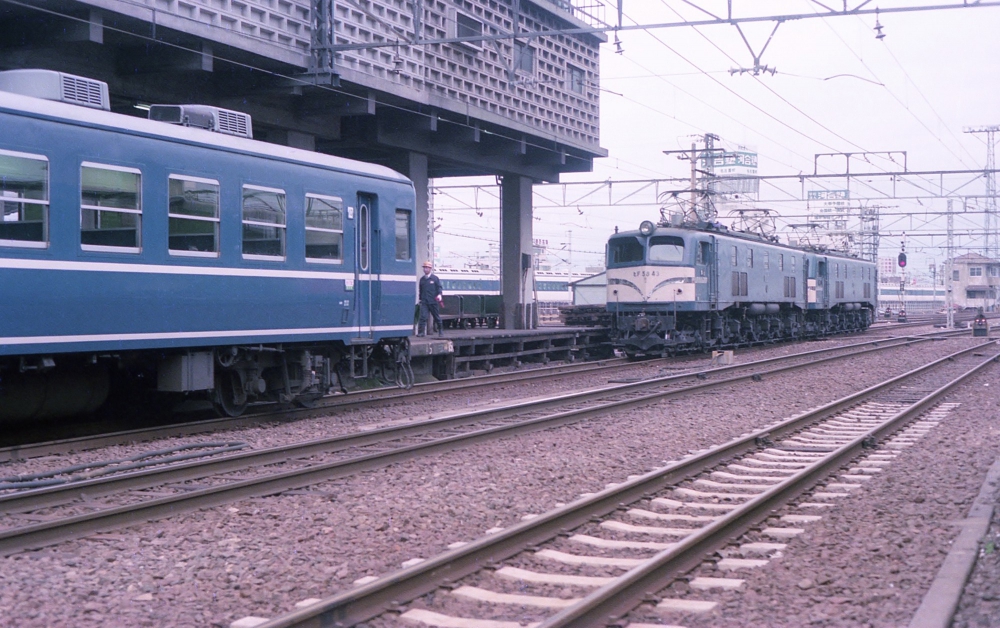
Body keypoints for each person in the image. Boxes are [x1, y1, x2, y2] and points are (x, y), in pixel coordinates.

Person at [417, 260, 444, 337]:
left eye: (427, 268)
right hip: (424, 301)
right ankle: (421, 332)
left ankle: (441, 331)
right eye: (424, 268)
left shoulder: (435, 278)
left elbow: (439, 288)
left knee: (436, 317)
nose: (425, 269)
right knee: (423, 317)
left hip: (433, 301)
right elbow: (420, 290)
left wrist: (439, 294)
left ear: (430, 269)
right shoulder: (422, 279)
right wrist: (420, 299)